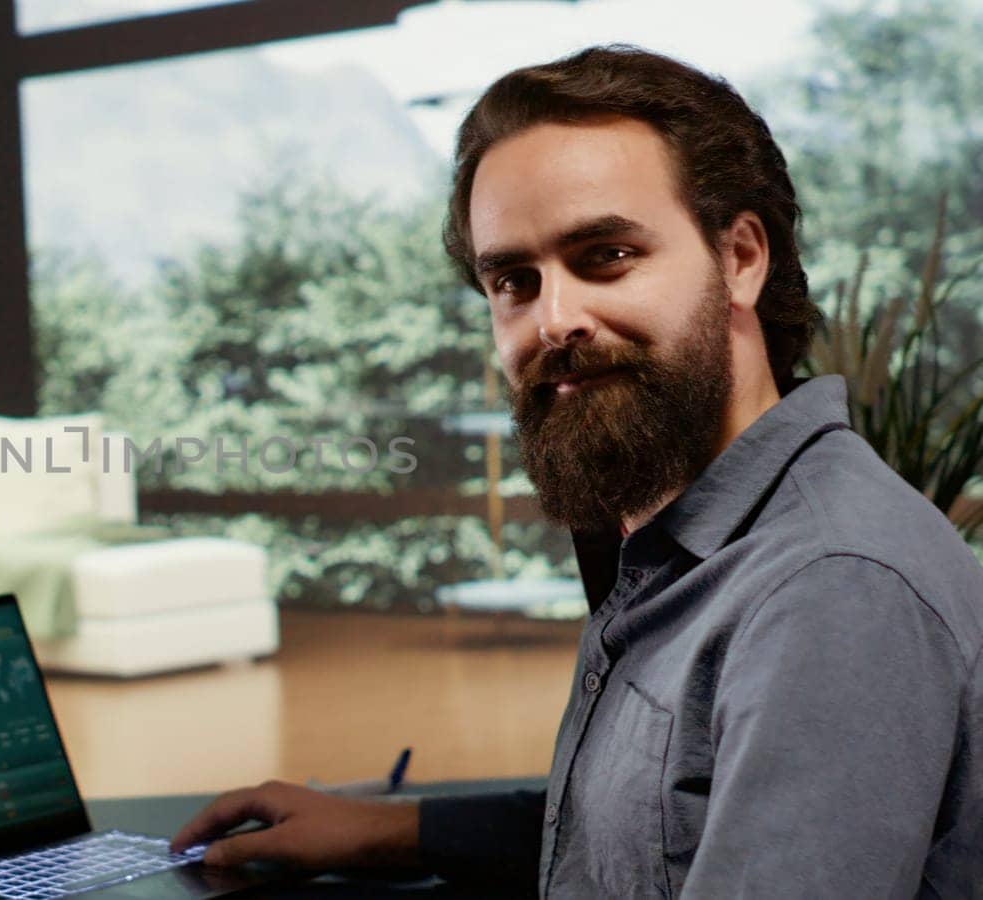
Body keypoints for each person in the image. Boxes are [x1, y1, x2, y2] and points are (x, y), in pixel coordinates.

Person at [170, 45, 983, 897]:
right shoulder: (678, 538)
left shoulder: (829, 590)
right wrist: (391, 832)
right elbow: (655, 833)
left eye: (606, 257)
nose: (555, 319)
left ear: (740, 257)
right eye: (514, 280)